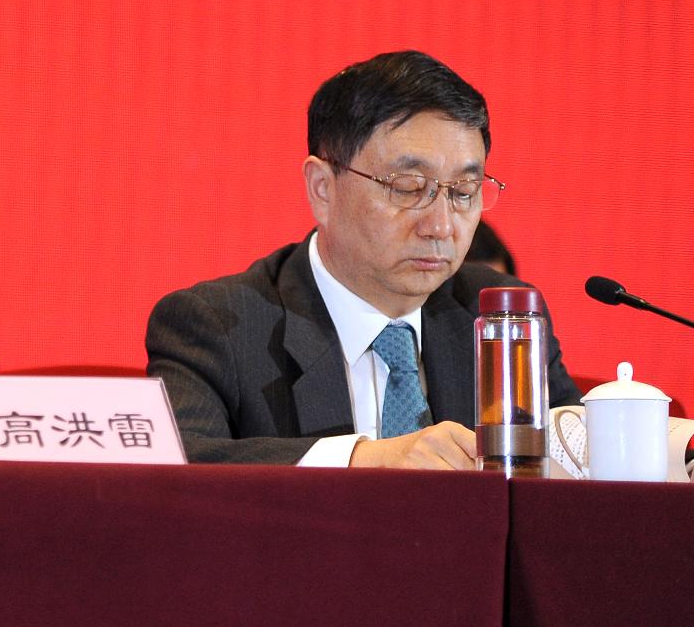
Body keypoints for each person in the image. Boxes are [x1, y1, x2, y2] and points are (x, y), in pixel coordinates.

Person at [146, 50, 581, 467]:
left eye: (464, 193)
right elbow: (176, 465)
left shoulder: (501, 316)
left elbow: (574, 459)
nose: (441, 226)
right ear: (323, 188)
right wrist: (367, 460)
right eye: (409, 188)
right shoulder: (217, 326)